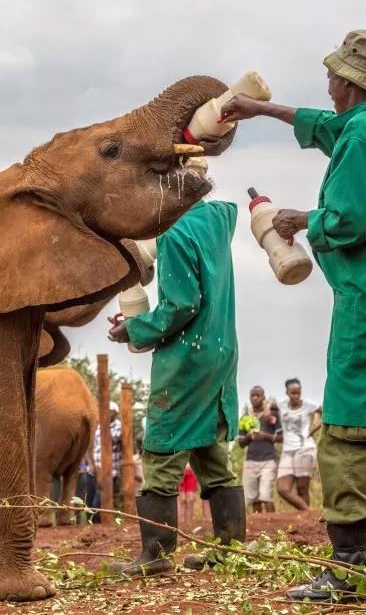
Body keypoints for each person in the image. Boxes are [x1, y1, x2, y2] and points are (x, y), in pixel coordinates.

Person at [221, 29, 366, 601]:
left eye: (332, 75)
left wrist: (299, 220)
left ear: (345, 81)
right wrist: (259, 108)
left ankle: (346, 570)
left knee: (352, 425)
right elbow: (327, 125)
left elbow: (346, 220)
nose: (327, 82)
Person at [106, 198, 244, 575]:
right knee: (210, 449)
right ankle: (230, 552)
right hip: (219, 349)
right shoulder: (215, 219)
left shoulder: (177, 234)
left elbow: (181, 305)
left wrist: (133, 328)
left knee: (163, 448)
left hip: (187, 358)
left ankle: (156, 554)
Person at [276, 379, 320, 511]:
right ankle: (309, 512)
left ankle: (307, 521)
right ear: (287, 393)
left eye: (298, 393)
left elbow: (321, 409)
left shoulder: (308, 405)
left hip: (305, 448)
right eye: (293, 393)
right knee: (283, 489)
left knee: (302, 488)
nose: (296, 396)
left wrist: (316, 422)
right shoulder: (281, 404)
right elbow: (268, 408)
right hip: (287, 450)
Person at [237, 386, 281, 513]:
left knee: (266, 495)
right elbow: (240, 443)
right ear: (250, 398)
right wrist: (249, 437)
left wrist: (265, 436)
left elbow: (282, 437)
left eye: (258, 395)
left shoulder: (272, 415)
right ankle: (260, 526)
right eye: (252, 395)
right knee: (253, 498)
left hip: (268, 460)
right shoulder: (245, 417)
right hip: (250, 461)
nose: (255, 398)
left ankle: (273, 524)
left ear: (263, 398)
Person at [178, 463, 198, 530]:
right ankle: (179, 525)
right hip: (180, 469)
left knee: (190, 500)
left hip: (191, 471)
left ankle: (188, 525)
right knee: (181, 501)